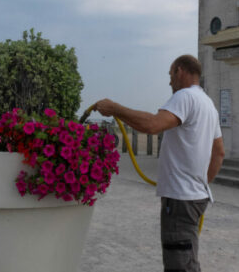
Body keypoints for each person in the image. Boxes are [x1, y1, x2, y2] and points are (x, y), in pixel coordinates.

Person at [93, 54, 225, 272]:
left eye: (170, 75)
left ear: (180, 71)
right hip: (194, 197)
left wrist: (115, 108)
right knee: (188, 261)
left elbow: (153, 125)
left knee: (179, 265)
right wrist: (200, 184)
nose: (169, 81)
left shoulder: (184, 97)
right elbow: (219, 152)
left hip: (181, 198)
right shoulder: (208, 104)